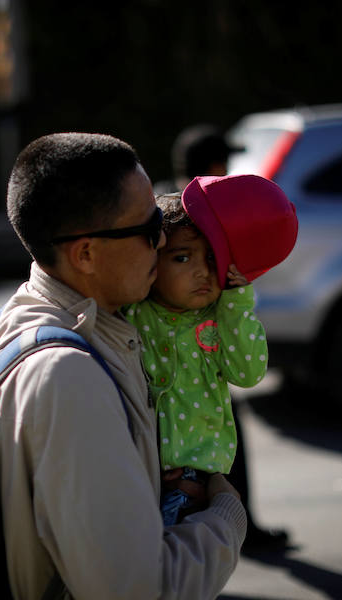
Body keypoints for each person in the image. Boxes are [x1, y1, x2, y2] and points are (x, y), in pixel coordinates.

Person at [0, 132, 247, 599]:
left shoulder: (33, 313)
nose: (163, 238)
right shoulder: (68, 378)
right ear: (85, 253)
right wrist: (227, 516)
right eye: (148, 230)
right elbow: (138, 591)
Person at [122, 191, 269, 527]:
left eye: (212, 259)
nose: (203, 272)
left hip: (194, 478)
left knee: (180, 567)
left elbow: (247, 374)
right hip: (138, 470)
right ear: (152, 261)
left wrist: (237, 304)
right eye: (183, 259)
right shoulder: (134, 310)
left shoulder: (221, 318)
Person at [153, 123, 239, 195]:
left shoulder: (158, 196)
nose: (226, 170)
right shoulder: (214, 205)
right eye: (224, 161)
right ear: (214, 167)